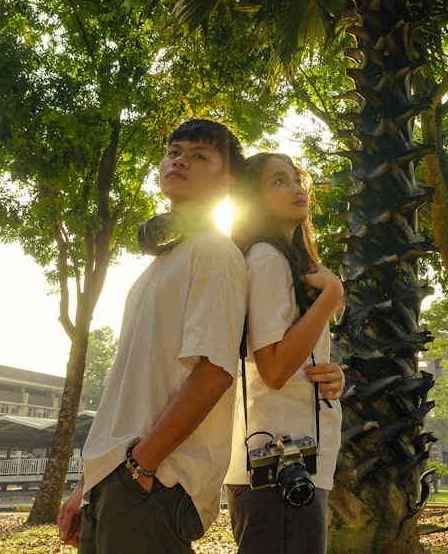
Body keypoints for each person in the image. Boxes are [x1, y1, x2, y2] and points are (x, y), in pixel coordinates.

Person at [57, 119, 248, 553]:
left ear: (227, 182)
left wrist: (140, 467)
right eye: (174, 151)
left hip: (156, 481)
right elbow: (125, 392)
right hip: (118, 479)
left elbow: (215, 372)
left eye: (200, 155)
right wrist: (85, 486)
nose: (179, 159)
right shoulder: (154, 270)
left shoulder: (216, 253)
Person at [224, 152, 346, 554]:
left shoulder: (286, 262)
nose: (295, 187)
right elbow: (274, 369)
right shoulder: (266, 258)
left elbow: (284, 360)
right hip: (277, 463)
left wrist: (330, 375)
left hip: (289, 459)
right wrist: (332, 297)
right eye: (278, 181)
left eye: (295, 178)